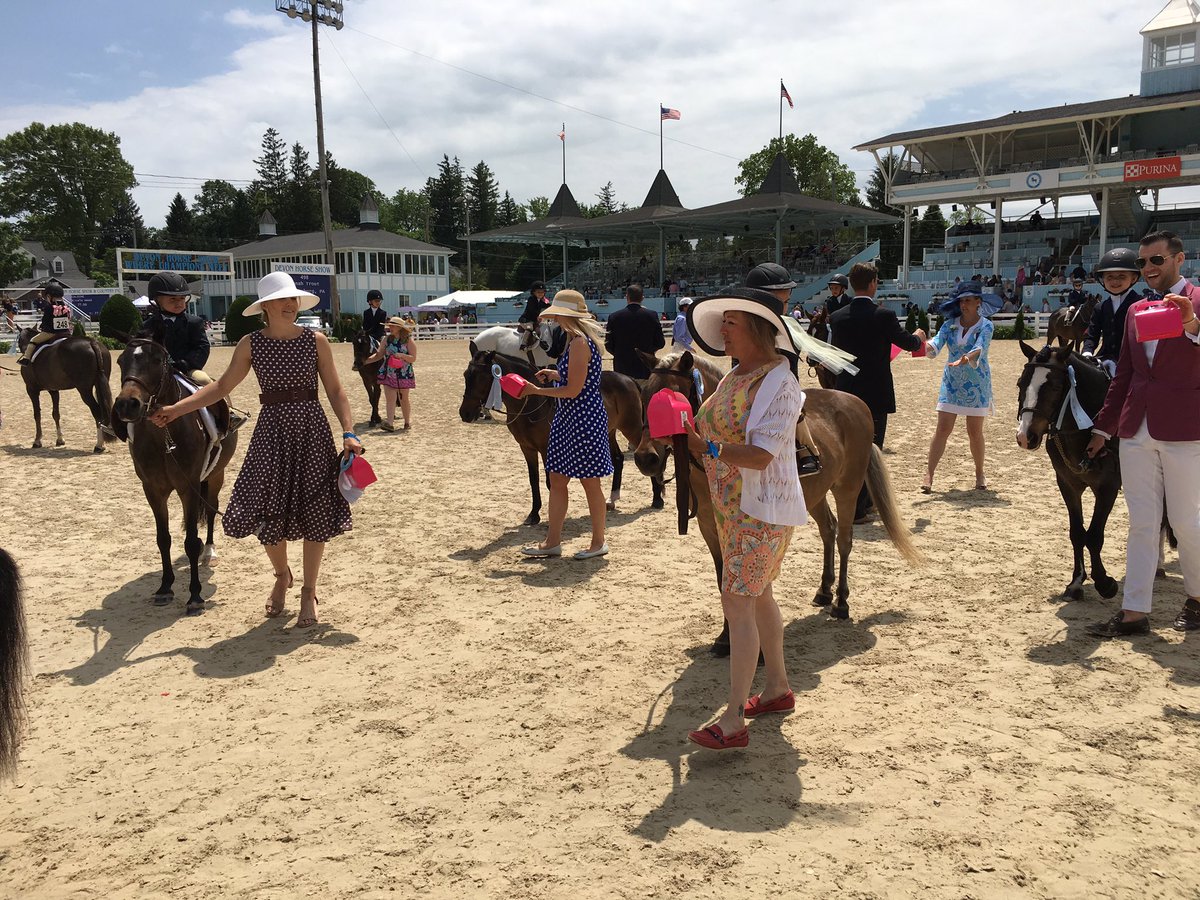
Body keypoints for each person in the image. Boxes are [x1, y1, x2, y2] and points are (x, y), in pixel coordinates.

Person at [149, 271, 361, 630]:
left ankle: (309, 591)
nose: (290, 305)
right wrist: (176, 410)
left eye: (293, 299)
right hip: (271, 430)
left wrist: (349, 431)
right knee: (261, 506)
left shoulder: (317, 340)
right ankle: (282, 575)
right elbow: (220, 387)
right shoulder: (251, 343)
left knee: (316, 510)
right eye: (283, 299)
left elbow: (336, 391)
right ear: (266, 306)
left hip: (312, 429)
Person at [679, 286, 809, 751]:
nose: (722, 331)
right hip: (733, 507)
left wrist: (706, 448)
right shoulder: (734, 375)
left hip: (760, 510)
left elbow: (760, 454)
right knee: (758, 597)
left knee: (736, 602)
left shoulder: (780, 382)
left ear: (758, 327)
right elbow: (714, 424)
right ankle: (777, 688)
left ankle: (733, 718)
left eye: (731, 322)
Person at [1083, 232, 1200, 638]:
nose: (1149, 268)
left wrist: (1191, 324)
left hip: (1186, 429)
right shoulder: (1138, 311)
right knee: (1142, 523)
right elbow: (1128, 375)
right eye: (1145, 262)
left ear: (1179, 259)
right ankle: (1134, 612)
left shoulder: (1199, 301)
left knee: (1185, 522)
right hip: (1136, 430)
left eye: (1157, 260)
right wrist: (1104, 426)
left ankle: (1198, 599)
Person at [517, 290, 612, 561]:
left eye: (558, 313)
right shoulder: (575, 341)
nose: (554, 317)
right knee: (559, 480)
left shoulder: (580, 343)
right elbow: (574, 379)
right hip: (571, 418)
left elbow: (573, 390)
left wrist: (536, 390)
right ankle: (553, 541)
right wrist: (555, 373)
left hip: (582, 418)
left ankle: (597, 542)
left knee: (589, 482)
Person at [828, 262, 926, 523]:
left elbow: (835, 355)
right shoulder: (884, 315)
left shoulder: (837, 318)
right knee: (872, 449)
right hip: (875, 392)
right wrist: (919, 335)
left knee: (848, 449)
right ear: (873, 284)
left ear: (850, 285)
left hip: (846, 392)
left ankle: (853, 502)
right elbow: (907, 343)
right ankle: (862, 507)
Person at [920, 280, 999, 493]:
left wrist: (966, 358)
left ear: (978, 302)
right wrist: (922, 344)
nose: (964, 305)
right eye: (961, 300)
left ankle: (979, 472)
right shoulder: (949, 324)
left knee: (974, 432)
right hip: (951, 383)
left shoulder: (986, 325)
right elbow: (935, 346)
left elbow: (980, 347)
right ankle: (929, 474)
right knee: (942, 429)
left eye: (968, 301)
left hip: (977, 384)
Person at [745, 263, 821, 475]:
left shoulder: (785, 327)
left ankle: (806, 450)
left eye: (787, 302)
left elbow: (787, 365)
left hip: (780, 385)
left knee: (794, 409)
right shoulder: (745, 324)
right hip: (747, 385)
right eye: (782, 302)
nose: (785, 308)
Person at [135, 272, 215, 383]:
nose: (179, 303)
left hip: (187, 369)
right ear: (158, 300)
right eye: (173, 299)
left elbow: (202, 346)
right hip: (156, 370)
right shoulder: (148, 326)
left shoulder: (194, 322)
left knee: (204, 380)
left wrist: (187, 363)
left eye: (182, 298)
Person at [1082, 247, 1143, 377]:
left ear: (1133, 278)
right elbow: (1092, 336)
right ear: (1102, 279)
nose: (1115, 281)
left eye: (1121, 276)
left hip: (1133, 363)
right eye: (1109, 277)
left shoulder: (1142, 304)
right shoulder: (1100, 307)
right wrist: (1087, 352)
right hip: (1105, 359)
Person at [364, 316, 416, 431]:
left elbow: (413, 358)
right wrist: (365, 362)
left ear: (399, 327)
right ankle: (390, 423)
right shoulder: (386, 340)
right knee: (390, 398)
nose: (390, 328)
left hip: (403, 373)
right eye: (389, 326)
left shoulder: (408, 340)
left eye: (392, 326)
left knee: (404, 399)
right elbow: (379, 355)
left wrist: (402, 355)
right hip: (388, 372)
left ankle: (407, 422)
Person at [604, 283, 664, 382]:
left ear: (627, 297)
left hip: (622, 367)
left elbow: (609, 345)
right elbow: (660, 343)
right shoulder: (652, 315)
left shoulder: (614, 317)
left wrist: (620, 353)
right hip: (645, 366)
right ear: (642, 298)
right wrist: (648, 351)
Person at [17, 283, 72, 365]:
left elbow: (45, 321)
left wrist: (42, 327)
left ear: (49, 296)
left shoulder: (49, 307)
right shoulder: (66, 307)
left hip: (51, 333)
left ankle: (26, 359)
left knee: (32, 341)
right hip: (65, 332)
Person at [355, 289, 387, 372]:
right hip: (368, 334)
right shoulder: (366, 312)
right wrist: (366, 335)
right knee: (359, 345)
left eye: (379, 301)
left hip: (379, 334)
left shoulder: (382, 313)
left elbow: (380, 327)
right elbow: (365, 325)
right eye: (376, 301)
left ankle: (386, 362)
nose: (378, 302)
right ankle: (356, 362)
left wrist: (374, 336)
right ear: (370, 302)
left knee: (385, 346)